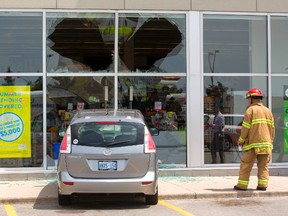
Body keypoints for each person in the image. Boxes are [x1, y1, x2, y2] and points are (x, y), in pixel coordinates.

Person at [234, 88, 275, 191]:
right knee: (263, 165)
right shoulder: (267, 111)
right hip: (266, 144)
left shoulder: (250, 110)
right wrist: (270, 141)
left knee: (246, 165)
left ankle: (242, 185)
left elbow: (245, 128)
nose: (248, 101)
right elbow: (272, 129)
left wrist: (241, 140)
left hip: (253, 144)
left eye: (248, 99)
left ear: (252, 99)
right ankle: (262, 185)